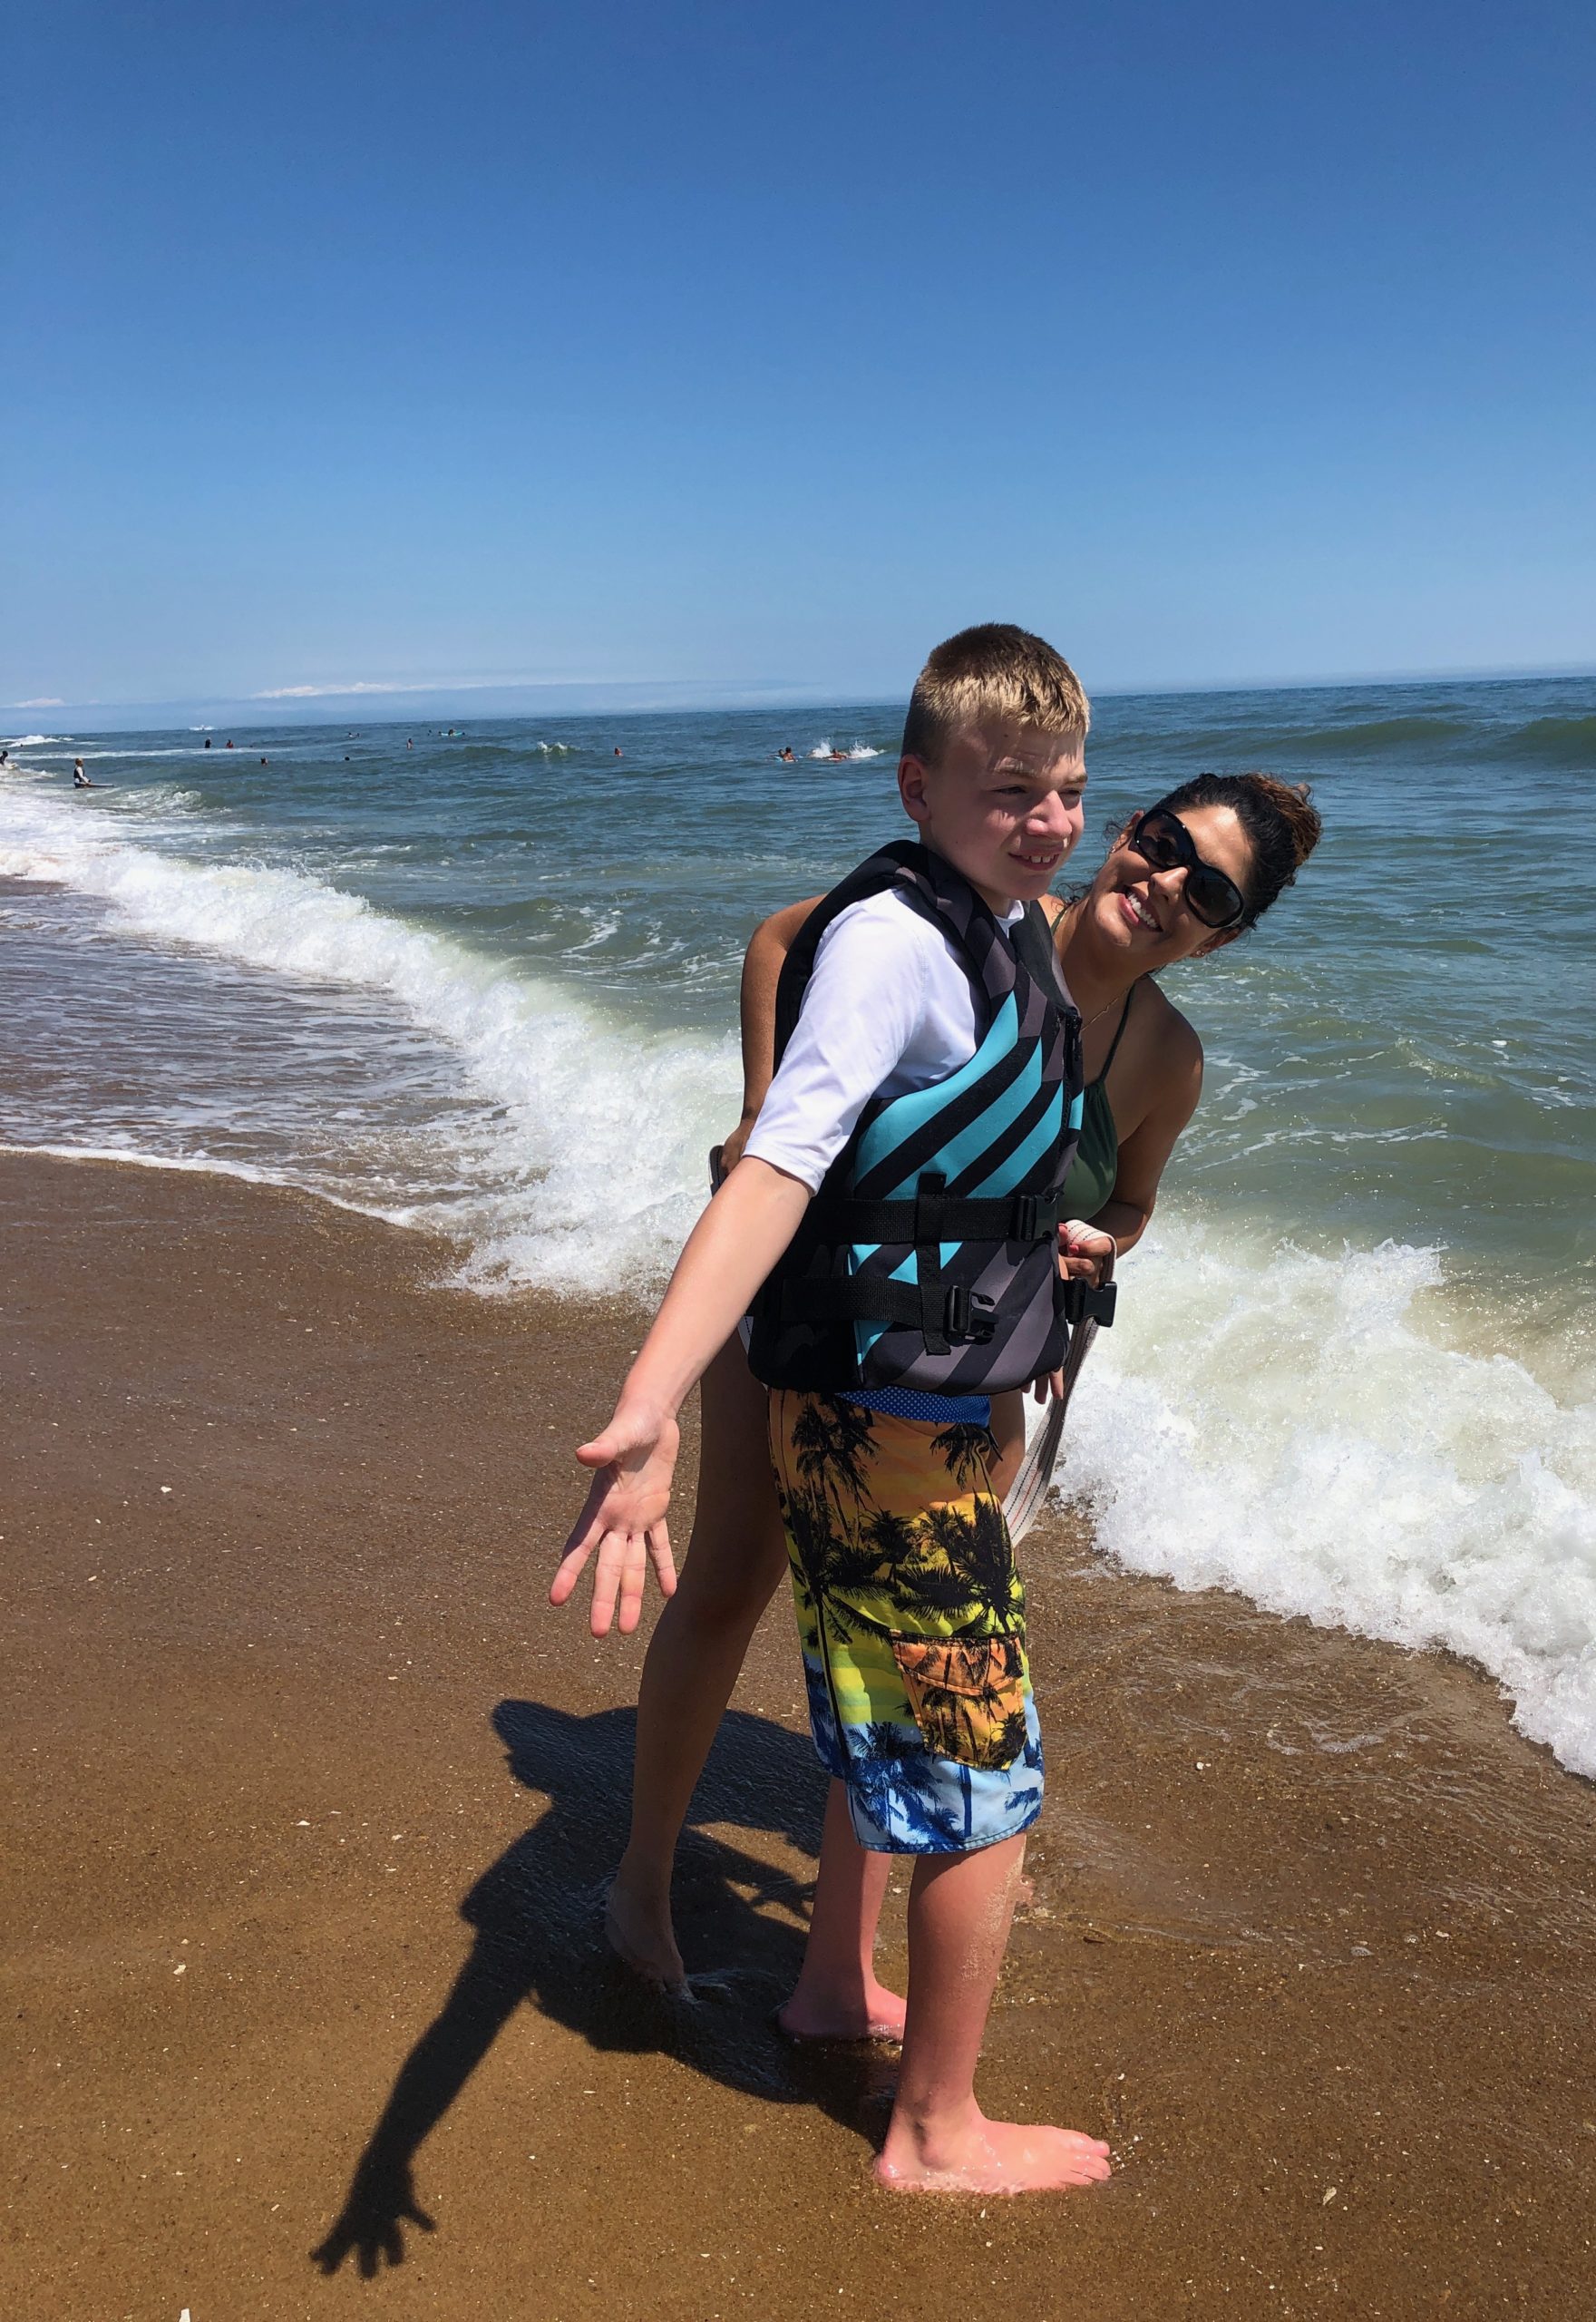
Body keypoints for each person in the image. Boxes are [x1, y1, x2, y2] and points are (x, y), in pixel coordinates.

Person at [604, 767, 1322, 2011]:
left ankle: (841, 1962)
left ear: (1223, 934)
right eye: (1158, 844)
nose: (1160, 886)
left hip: (961, 1355)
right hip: (805, 1285)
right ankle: (642, 1885)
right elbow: (785, 937)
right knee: (734, 1575)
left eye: (1205, 891)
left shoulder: (1167, 1059)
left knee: (894, 1643)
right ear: (1128, 830)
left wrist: (1109, 1238)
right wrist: (765, 1114)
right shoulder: (982, 921)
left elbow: (1131, 1196)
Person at [553, 624, 1114, 2195]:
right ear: (919, 784)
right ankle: (934, 2129)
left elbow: (949, 1157)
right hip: (882, 1440)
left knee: (886, 1736)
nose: (1049, 820)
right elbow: (780, 1165)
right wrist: (652, 1403)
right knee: (975, 1780)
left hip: (901, 1421)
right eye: (1011, 792)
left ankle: (821, 1993)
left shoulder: (1002, 925)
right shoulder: (891, 946)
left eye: (1068, 789)